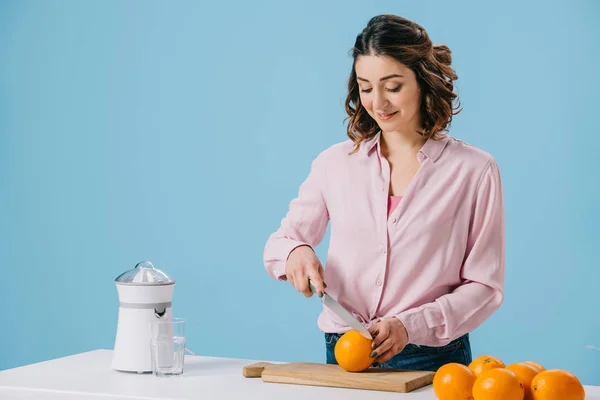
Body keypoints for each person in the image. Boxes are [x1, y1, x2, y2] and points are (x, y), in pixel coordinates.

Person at [263, 14, 505, 372]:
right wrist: (296, 252)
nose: (377, 103)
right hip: (345, 351)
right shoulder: (335, 163)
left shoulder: (474, 170)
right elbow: (281, 241)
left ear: (423, 82)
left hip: (431, 357)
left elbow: (485, 286)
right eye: (365, 87)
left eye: (392, 87)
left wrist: (411, 326)